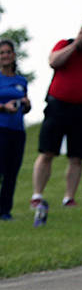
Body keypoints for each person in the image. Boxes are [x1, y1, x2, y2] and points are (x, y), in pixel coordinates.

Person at [32, 14, 82, 220]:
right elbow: (53, 62)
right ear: (81, 29)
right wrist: (76, 44)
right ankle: (37, 195)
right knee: (47, 152)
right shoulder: (65, 45)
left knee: (77, 157)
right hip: (57, 106)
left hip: (81, 110)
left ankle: (69, 197)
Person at [0, 39, 32, 221]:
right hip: (1, 128)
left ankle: (5, 211)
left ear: (13, 55)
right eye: (2, 52)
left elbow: (25, 106)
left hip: (17, 131)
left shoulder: (21, 81)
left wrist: (26, 104)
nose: (5, 55)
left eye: (8, 52)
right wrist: (4, 107)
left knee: (12, 172)